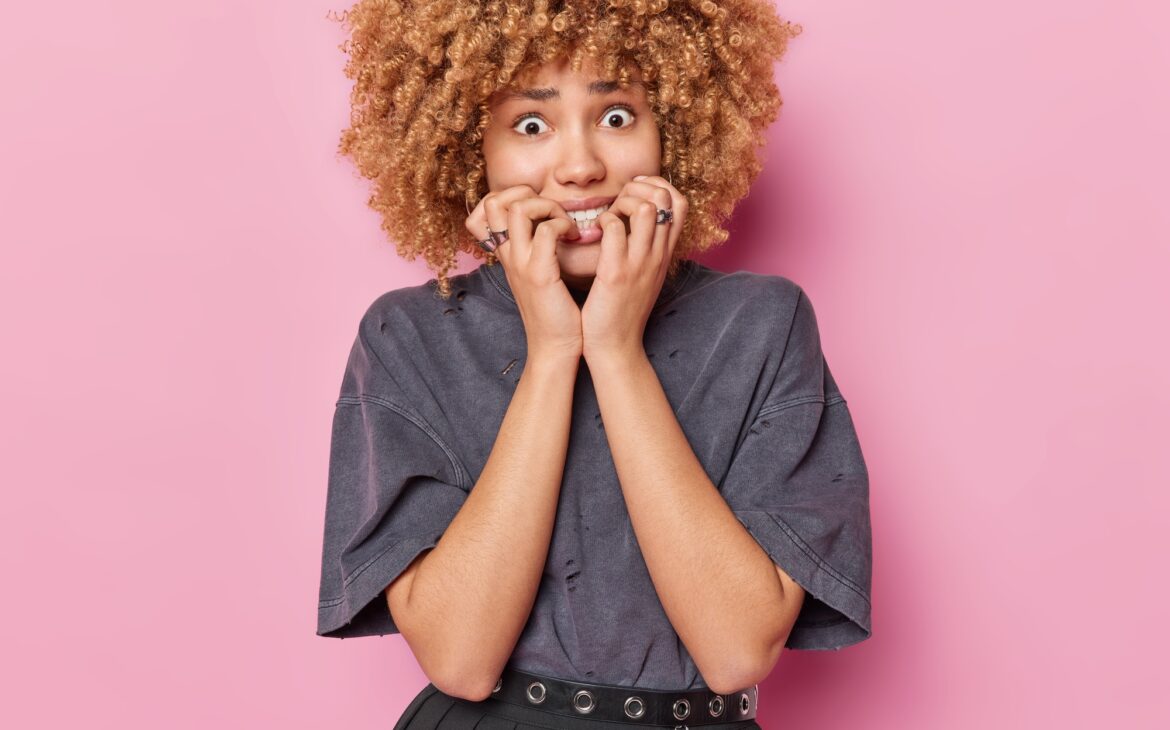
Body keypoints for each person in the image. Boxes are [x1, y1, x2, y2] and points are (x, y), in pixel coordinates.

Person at [316, 2, 873, 728]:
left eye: (616, 116)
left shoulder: (761, 324)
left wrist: (614, 347)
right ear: (466, 146)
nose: (580, 167)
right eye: (530, 124)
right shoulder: (410, 336)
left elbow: (737, 650)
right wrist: (553, 349)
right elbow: (460, 658)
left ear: (672, 126)